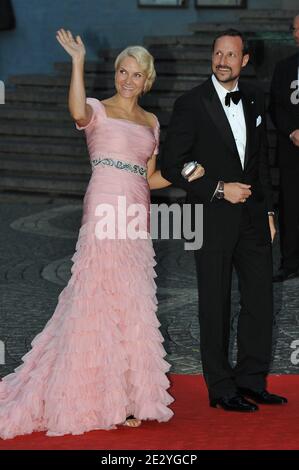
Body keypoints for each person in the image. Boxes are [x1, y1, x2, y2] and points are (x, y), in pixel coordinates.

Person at [0, 29, 205, 439]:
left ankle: (128, 395)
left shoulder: (151, 121)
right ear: (116, 74)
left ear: (147, 81)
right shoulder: (97, 108)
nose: (128, 79)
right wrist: (77, 61)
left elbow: (149, 176)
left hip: (136, 209)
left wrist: (188, 172)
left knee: (130, 298)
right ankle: (97, 394)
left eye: (136, 74)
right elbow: (77, 112)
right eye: (122, 71)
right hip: (105, 203)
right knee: (99, 293)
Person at [161, 29, 288, 412]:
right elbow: (172, 163)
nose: (223, 60)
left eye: (231, 55)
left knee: (259, 302)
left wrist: (268, 210)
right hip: (209, 217)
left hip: (253, 217)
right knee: (214, 303)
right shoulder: (190, 103)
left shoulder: (254, 99)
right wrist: (218, 189)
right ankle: (221, 388)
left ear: (244, 60)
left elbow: (261, 162)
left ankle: (251, 380)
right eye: (218, 53)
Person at [270, 14, 299, 282]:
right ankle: (290, 262)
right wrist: (292, 130)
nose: (298, 33)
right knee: (290, 207)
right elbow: (276, 105)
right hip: (292, 150)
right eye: (296, 29)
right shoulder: (284, 67)